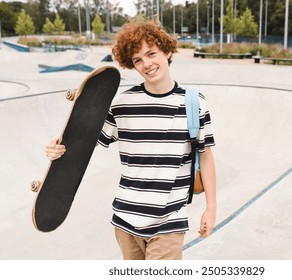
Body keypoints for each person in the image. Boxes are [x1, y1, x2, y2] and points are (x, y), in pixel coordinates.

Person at [45, 16, 216, 260]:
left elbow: (206, 157)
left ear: (167, 51)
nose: (146, 64)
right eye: (138, 60)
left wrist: (211, 208)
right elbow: (83, 141)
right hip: (125, 219)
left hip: (168, 222)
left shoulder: (194, 103)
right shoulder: (123, 104)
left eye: (151, 53)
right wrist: (56, 147)